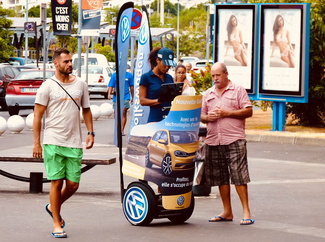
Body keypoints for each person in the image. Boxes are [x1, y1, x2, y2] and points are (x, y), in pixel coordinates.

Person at [32, 48, 94, 238]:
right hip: (53, 140)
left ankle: (53, 206)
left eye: (70, 61)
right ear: (56, 64)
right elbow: (37, 115)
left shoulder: (81, 84)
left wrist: (91, 133)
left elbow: (86, 110)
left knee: (74, 184)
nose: (69, 64)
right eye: (66, 61)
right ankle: (56, 223)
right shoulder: (47, 86)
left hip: (74, 141)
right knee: (56, 183)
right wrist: (37, 143)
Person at [200, 62, 254, 225]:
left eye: (218, 75)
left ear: (226, 74)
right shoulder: (208, 94)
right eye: (213, 76)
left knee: (239, 176)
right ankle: (227, 211)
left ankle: (246, 211)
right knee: (220, 177)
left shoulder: (238, 90)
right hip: (213, 140)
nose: (215, 79)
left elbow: (248, 110)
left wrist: (226, 113)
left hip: (234, 139)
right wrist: (207, 118)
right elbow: (201, 115)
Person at [139, 47, 176, 123]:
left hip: (170, 118)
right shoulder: (146, 77)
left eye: (169, 66)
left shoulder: (169, 78)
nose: (167, 68)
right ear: (157, 60)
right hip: (155, 118)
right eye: (165, 64)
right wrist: (159, 101)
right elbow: (142, 101)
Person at [107, 71, 134, 136]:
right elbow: (111, 85)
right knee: (116, 113)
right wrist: (109, 94)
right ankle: (118, 128)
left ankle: (121, 130)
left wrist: (133, 97)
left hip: (126, 96)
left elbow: (132, 87)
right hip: (116, 97)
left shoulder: (129, 75)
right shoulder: (114, 75)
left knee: (123, 112)